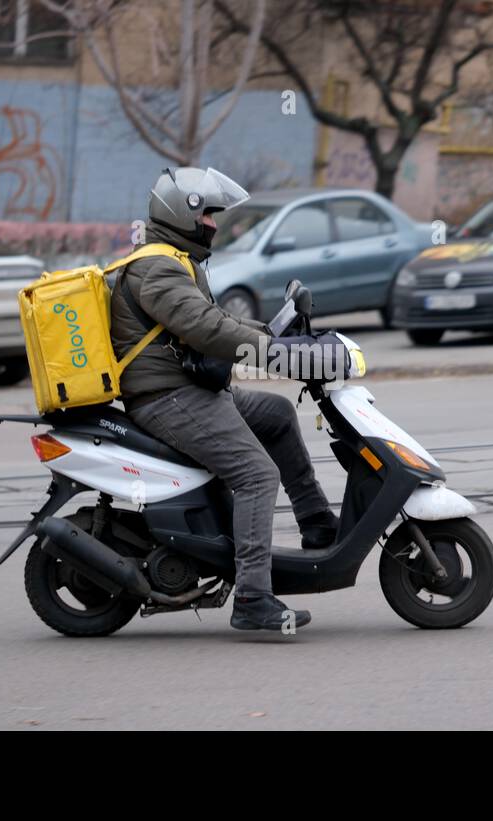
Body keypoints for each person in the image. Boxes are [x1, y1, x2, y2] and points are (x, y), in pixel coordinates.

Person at [109, 167, 341, 632]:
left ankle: (316, 520)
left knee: (274, 413)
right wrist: (274, 355)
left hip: (187, 388)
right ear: (184, 214)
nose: (214, 224)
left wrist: (275, 334)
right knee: (257, 475)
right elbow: (207, 330)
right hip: (168, 398)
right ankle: (253, 597)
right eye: (209, 214)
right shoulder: (155, 269)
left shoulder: (176, 261)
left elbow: (211, 320)